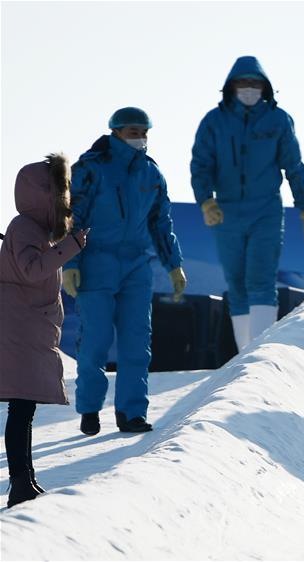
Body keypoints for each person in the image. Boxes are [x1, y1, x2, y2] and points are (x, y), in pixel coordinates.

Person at [63, 107, 186, 435]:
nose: (139, 136)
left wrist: (174, 265)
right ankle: (89, 409)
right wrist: (70, 263)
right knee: (95, 341)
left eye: (143, 130)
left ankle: (131, 413)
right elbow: (73, 216)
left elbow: (161, 222)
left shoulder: (151, 173)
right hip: (96, 263)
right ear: (115, 131)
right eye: (131, 130)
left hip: (136, 266)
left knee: (136, 342)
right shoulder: (90, 168)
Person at [191, 55, 304, 350]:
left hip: (266, 211)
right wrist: (206, 200)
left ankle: (259, 354)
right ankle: (244, 355)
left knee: (261, 279)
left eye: (255, 83)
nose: (249, 87)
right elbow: (201, 165)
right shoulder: (214, 121)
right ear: (231, 86)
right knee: (236, 283)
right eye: (243, 82)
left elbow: (295, 167)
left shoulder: (278, 120)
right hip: (226, 212)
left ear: (265, 87)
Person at [1, 155, 87, 507]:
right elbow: (31, 270)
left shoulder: (31, 230)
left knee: (25, 411)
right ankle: (20, 484)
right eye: (60, 191)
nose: (65, 199)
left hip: (27, 332)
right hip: (19, 334)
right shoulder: (23, 228)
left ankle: (27, 479)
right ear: (43, 194)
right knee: (20, 411)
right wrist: (72, 247)